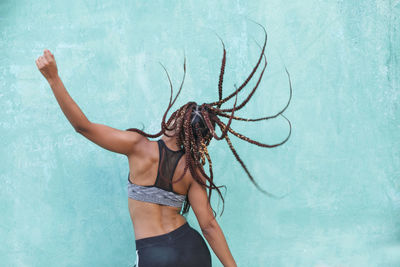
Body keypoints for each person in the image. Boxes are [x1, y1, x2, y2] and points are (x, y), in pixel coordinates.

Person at [35, 22, 292, 267]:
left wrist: (53, 79)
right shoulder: (192, 171)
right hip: (191, 247)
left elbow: (84, 127)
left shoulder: (139, 147)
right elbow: (209, 226)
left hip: (154, 254)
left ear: (176, 119)